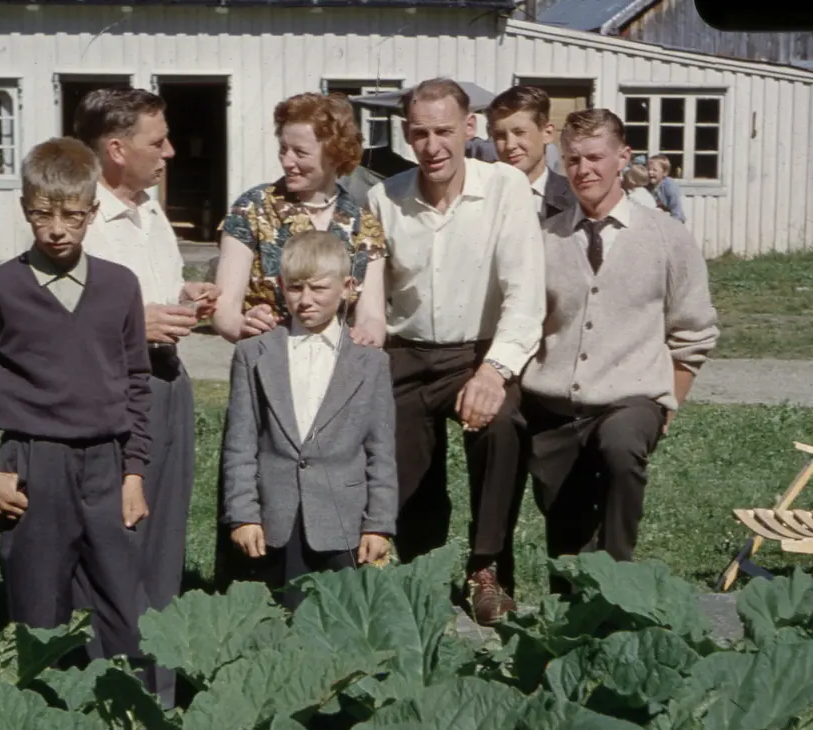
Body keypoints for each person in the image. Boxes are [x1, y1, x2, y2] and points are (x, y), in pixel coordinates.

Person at [0, 137, 154, 675]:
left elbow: (138, 382)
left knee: (126, 615)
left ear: (93, 212)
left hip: (107, 468)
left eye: (72, 216)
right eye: (42, 215)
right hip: (34, 471)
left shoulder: (120, 286)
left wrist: (134, 473)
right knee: (39, 620)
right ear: (25, 209)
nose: (57, 229)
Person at [366, 78, 545, 624]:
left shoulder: (506, 187)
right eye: (420, 133)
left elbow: (525, 292)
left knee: (502, 427)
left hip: (478, 352)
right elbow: (374, 296)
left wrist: (495, 371)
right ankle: (423, 574)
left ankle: (488, 568)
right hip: (408, 352)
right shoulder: (385, 197)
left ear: (470, 129)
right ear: (405, 134)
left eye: (445, 131)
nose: (433, 145)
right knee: (401, 459)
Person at [520, 109, 719, 588]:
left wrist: (668, 402)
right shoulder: (544, 239)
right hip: (555, 406)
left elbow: (694, 332)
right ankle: (570, 619)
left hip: (633, 399)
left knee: (621, 448)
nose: (584, 169)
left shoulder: (667, 238)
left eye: (595, 157)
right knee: (565, 534)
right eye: (572, 160)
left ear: (622, 157)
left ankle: (618, 584)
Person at [74, 87, 219, 708]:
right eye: (155, 142)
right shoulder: (74, 217)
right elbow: (54, 319)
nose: (169, 152)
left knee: (163, 544)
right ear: (114, 150)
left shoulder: (150, 210)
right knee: (113, 541)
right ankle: (105, 690)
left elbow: (147, 294)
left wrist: (186, 298)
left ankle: (155, 695)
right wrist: (136, 322)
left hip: (166, 385)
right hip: (108, 401)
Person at [221, 230, 396, 610]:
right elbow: (240, 442)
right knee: (274, 621)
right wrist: (243, 515)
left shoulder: (371, 362)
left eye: (318, 288)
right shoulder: (255, 353)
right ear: (280, 286)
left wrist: (378, 523)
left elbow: (380, 450)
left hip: (343, 519)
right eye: (294, 288)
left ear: (348, 287)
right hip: (275, 518)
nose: (305, 300)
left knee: (340, 622)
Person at [211, 92, 389, 349]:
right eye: (283, 149)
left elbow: (372, 316)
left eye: (300, 153)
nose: (287, 161)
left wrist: (367, 337)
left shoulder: (364, 226)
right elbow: (224, 308)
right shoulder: (252, 208)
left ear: (334, 154)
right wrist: (242, 326)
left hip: (336, 366)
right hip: (269, 357)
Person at [487, 85, 575, 220]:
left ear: (547, 133)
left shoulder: (575, 197)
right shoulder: (484, 196)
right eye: (500, 136)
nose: (510, 145)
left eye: (520, 133)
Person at [647, 154, 686, 222]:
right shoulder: (648, 185)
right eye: (648, 169)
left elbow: (675, 206)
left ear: (664, 172)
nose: (650, 172)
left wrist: (675, 223)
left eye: (654, 170)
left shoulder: (669, 185)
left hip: (674, 219)